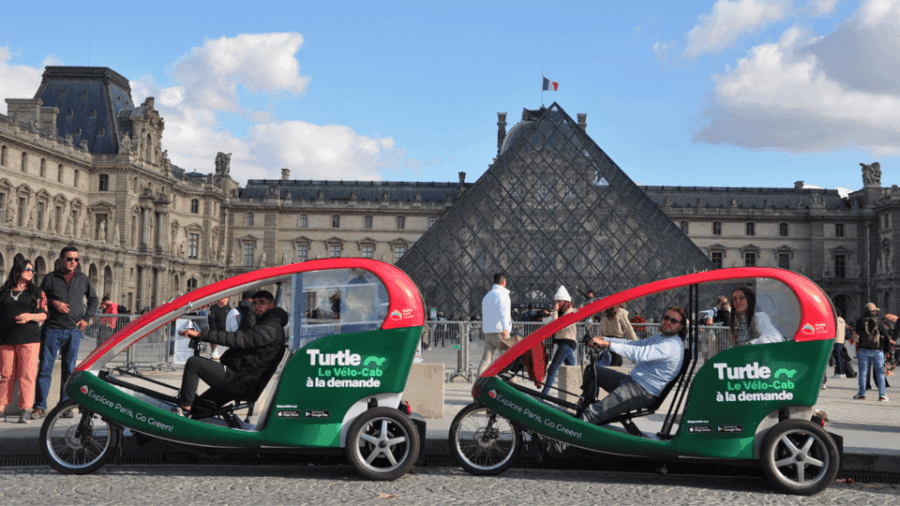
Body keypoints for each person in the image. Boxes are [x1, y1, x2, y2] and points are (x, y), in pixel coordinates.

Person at [175, 290, 288, 416]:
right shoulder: (268, 324)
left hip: (240, 381)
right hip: (244, 381)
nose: (257, 306)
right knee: (200, 408)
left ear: (271, 305)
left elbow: (239, 339)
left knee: (194, 363)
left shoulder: (270, 327)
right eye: (255, 303)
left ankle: (184, 410)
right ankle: (191, 418)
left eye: (262, 302)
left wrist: (201, 334)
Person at [580, 305, 687, 426]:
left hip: (642, 391)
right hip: (633, 381)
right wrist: (603, 339)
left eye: (673, 321)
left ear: (680, 326)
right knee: (592, 371)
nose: (668, 322)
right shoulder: (661, 337)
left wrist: (607, 344)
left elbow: (638, 354)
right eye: (666, 318)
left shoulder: (671, 345)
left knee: (592, 413)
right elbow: (635, 344)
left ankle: (570, 439)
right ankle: (587, 406)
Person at [33, 247, 99, 420]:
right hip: (52, 330)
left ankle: (64, 407)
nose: (73, 262)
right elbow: (38, 299)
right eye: (69, 259)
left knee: (68, 371)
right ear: (61, 260)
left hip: (73, 331)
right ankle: (39, 406)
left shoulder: (83, 279)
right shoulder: (49, 278)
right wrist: (53, 303)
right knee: (45, 369)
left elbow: (94, 300)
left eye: (76, 259)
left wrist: (86, 318)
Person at [0, 259, 47, 423]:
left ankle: (25, 409)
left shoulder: (36, 292)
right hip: (6, 338)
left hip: (29, 338)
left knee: (26, 375)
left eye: (32, 270)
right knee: (6, 375)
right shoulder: (4, 291)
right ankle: (1, 409)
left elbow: (44, 315)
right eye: (27, 269)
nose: (31, 272)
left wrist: (30, 316)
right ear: (17, 271)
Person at [541, 286, 577, 396]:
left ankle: (544, 395)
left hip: (567, 342)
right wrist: (553, 312)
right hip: (564, 342)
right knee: (571, 368)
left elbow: (557, 326)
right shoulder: (563, 311)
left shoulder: (570, 312)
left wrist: (555, 311)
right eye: (557, 301)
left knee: (552, 369)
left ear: (565, 301)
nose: (558, 303)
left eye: (559, 301)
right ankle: (577, 391)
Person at [853, 302, 890, 402]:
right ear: (873, 311)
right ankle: (882, 395)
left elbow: (856, 334)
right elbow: (886, 336)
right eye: (875, 311)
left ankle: (862, 394)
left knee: (863, 372)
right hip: (877, 350)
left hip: (863, 349)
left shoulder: (859, 321)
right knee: (880, 373)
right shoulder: (879, 322)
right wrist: (887, 350)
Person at [477, 272, 511, 376]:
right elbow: (504, 313)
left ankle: (478, 383)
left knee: (485, 360)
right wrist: (505, 328)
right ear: (504, 281)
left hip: (488, 333)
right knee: (510, 359)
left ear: (493, 282)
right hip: (500, 333)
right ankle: (513, 385)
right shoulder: (503, 295)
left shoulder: (487, 296)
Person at [207, 296, 231, 360]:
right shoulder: (213, 308)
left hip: (226, 337)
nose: (227, 300)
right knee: (216, 358)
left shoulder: (228, 308)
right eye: (226, 298)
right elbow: (212, 324)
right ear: (220, 299)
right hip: (217, 337)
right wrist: (215, 339)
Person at [833, 311, 847, 379]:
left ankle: (839, 373)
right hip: (841, 341)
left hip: (836, 340)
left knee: (837, 357)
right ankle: (843, 372)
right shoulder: (843, 320)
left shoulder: (835, 320)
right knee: (841, 357)